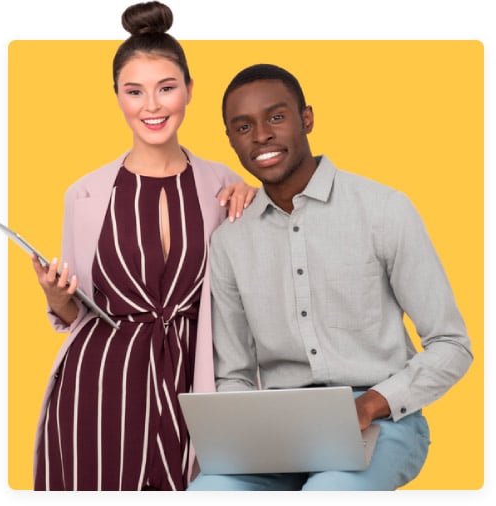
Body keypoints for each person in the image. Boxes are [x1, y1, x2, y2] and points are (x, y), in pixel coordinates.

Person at [188, 64, 473, 491]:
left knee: (328, 492)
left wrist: (372, 404)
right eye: (243, 126)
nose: (261, 135)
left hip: (383, 421)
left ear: (307, 119)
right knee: (206, 493)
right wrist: (242, 436)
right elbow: (235, 374)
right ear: (230, 139)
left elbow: (452, 345)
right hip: (278, 429)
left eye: (276, 117)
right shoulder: (229, 241)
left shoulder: (383, 210)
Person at [31, 2, 256, 491]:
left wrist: (256, 201)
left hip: (192, 384)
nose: (151, 106)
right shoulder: (83, 195)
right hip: (98, 390)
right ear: (117, 97)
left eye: (166, 88)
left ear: (189, 91)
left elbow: (251, 285)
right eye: (135, 92)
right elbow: (77, 317)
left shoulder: (226, 185)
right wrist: (56, 296)